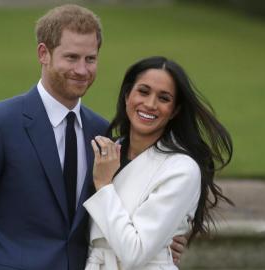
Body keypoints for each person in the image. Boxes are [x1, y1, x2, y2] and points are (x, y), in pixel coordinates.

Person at [0, 5, 185, 270]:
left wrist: (161, 240)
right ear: (43, 54)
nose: (81, 70)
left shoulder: (102, 132)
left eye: (90, 59)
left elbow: (117, 210)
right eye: (71, 57)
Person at [83, 56, 233, 269]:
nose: (150, 104)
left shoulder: (181, 169)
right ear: (127, 95)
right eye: (143, 91)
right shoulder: (106, 152)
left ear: (175, 110)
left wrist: (105, 186)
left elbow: (134, 253)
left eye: (164, 98)